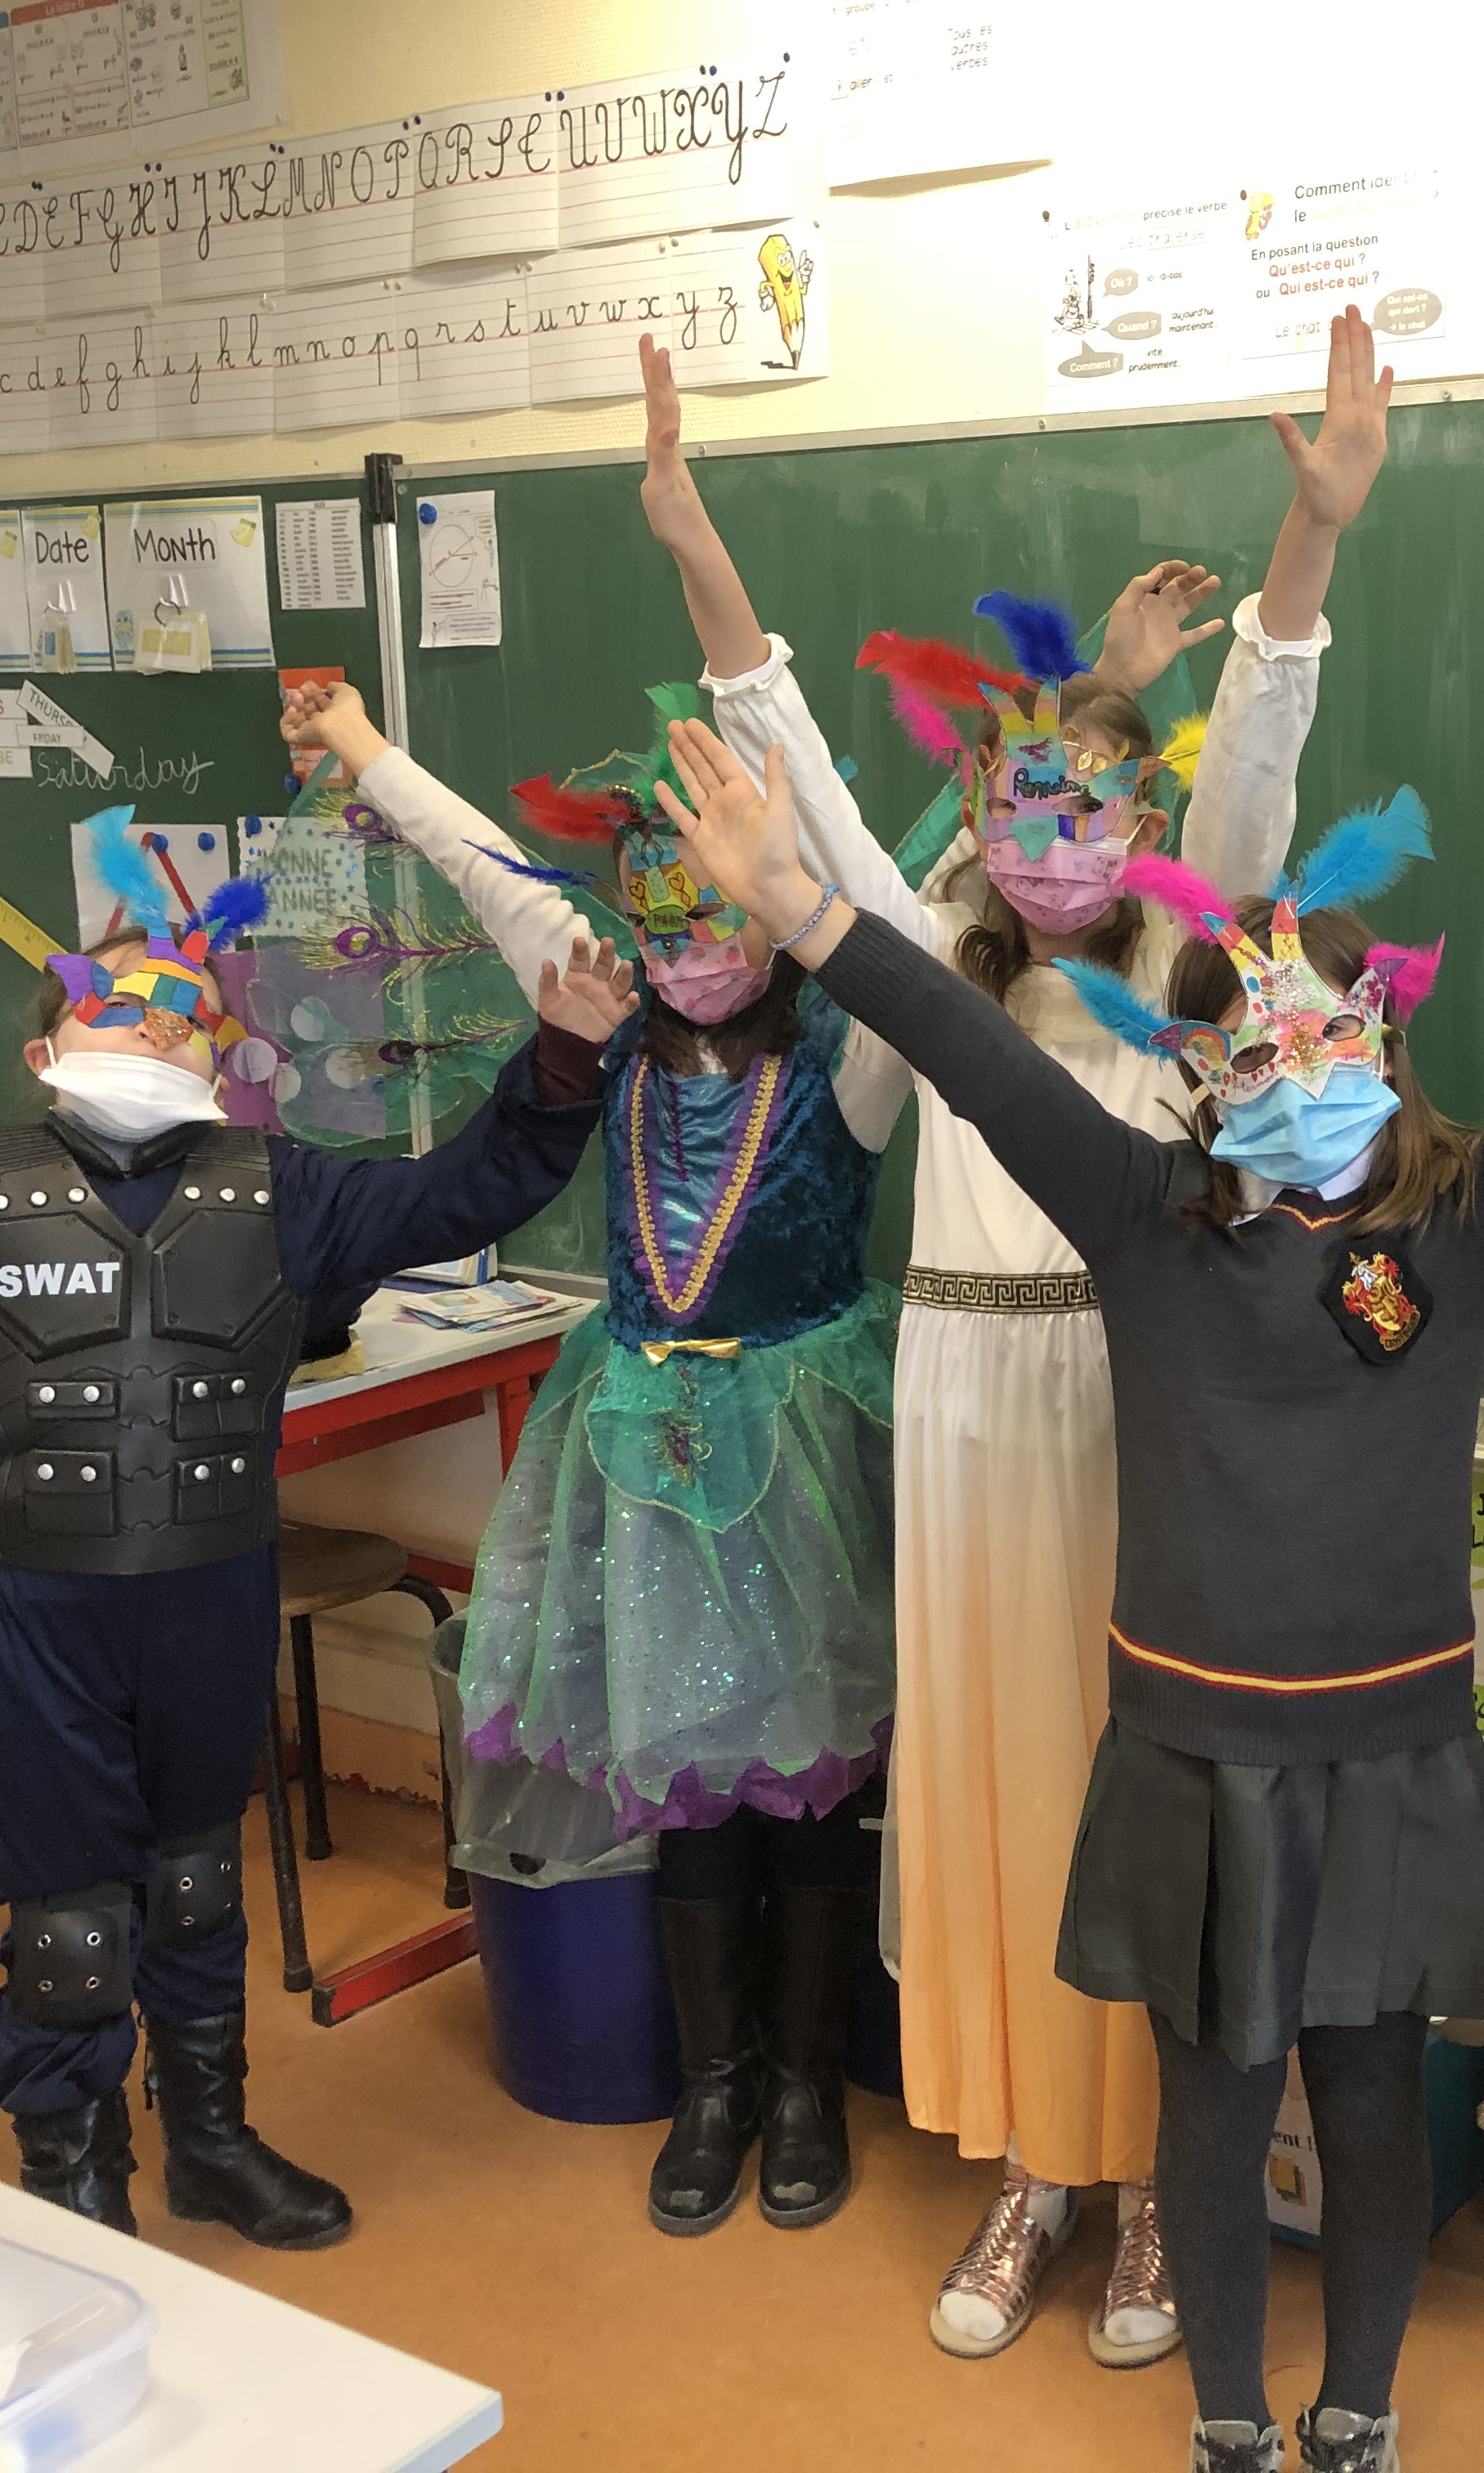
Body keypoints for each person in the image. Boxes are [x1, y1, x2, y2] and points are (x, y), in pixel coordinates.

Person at [657, 608, 1484, 2473]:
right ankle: (1228, 2428)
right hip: (1195, 1751)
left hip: (1391, 1755)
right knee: (1208, 2105)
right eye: (1250, 1042)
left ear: (1388, 1039)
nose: (1297, 1062)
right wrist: (798, 909)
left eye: (1332, 1028)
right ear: (1196, 1070)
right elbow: (964, 1041)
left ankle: (1357, 2411)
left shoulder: (1465, 1222)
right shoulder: (1141, 1217)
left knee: (1363, 2103)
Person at [638, 315, 1388, 2363]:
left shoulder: (1185, 954)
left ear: (1141, 815)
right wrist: (696, 545)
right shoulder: (930, 964)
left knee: (1128, 1788)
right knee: (983, 1783)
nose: (1059, 833)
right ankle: (1032, 2167)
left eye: (1097, 800)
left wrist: (1309, 544)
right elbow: (795, 775)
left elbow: (1261, 754)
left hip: (1128, 1400)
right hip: (958, 1397)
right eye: (1020, 797)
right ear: (980, 806)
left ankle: (1149, 2180)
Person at [0, 793, 626, 2245]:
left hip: (209, 1592)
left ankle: (212, 2141)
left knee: (193, 1881)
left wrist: (560, 1059)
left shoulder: (287, 1193)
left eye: (184, 1014)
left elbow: (467, 1191)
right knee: (66, 1913)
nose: (155, 1026)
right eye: (119, 1004)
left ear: (221, 1057)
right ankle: (73, 2178)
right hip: (38, 1610)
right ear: (44, 1051)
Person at [294, 661, 898, 2245]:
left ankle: (806, 2086)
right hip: (638, 1453)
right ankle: (714, 2081)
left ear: (774, 907)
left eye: (717, 921)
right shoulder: (601, 1014)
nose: (685, 956)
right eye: (658, 928)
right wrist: (362, 746)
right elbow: (481, 863)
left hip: (807, 1452)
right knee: (686, 1779)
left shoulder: (853, 1047)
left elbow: (925, 906)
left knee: (813, 1785)